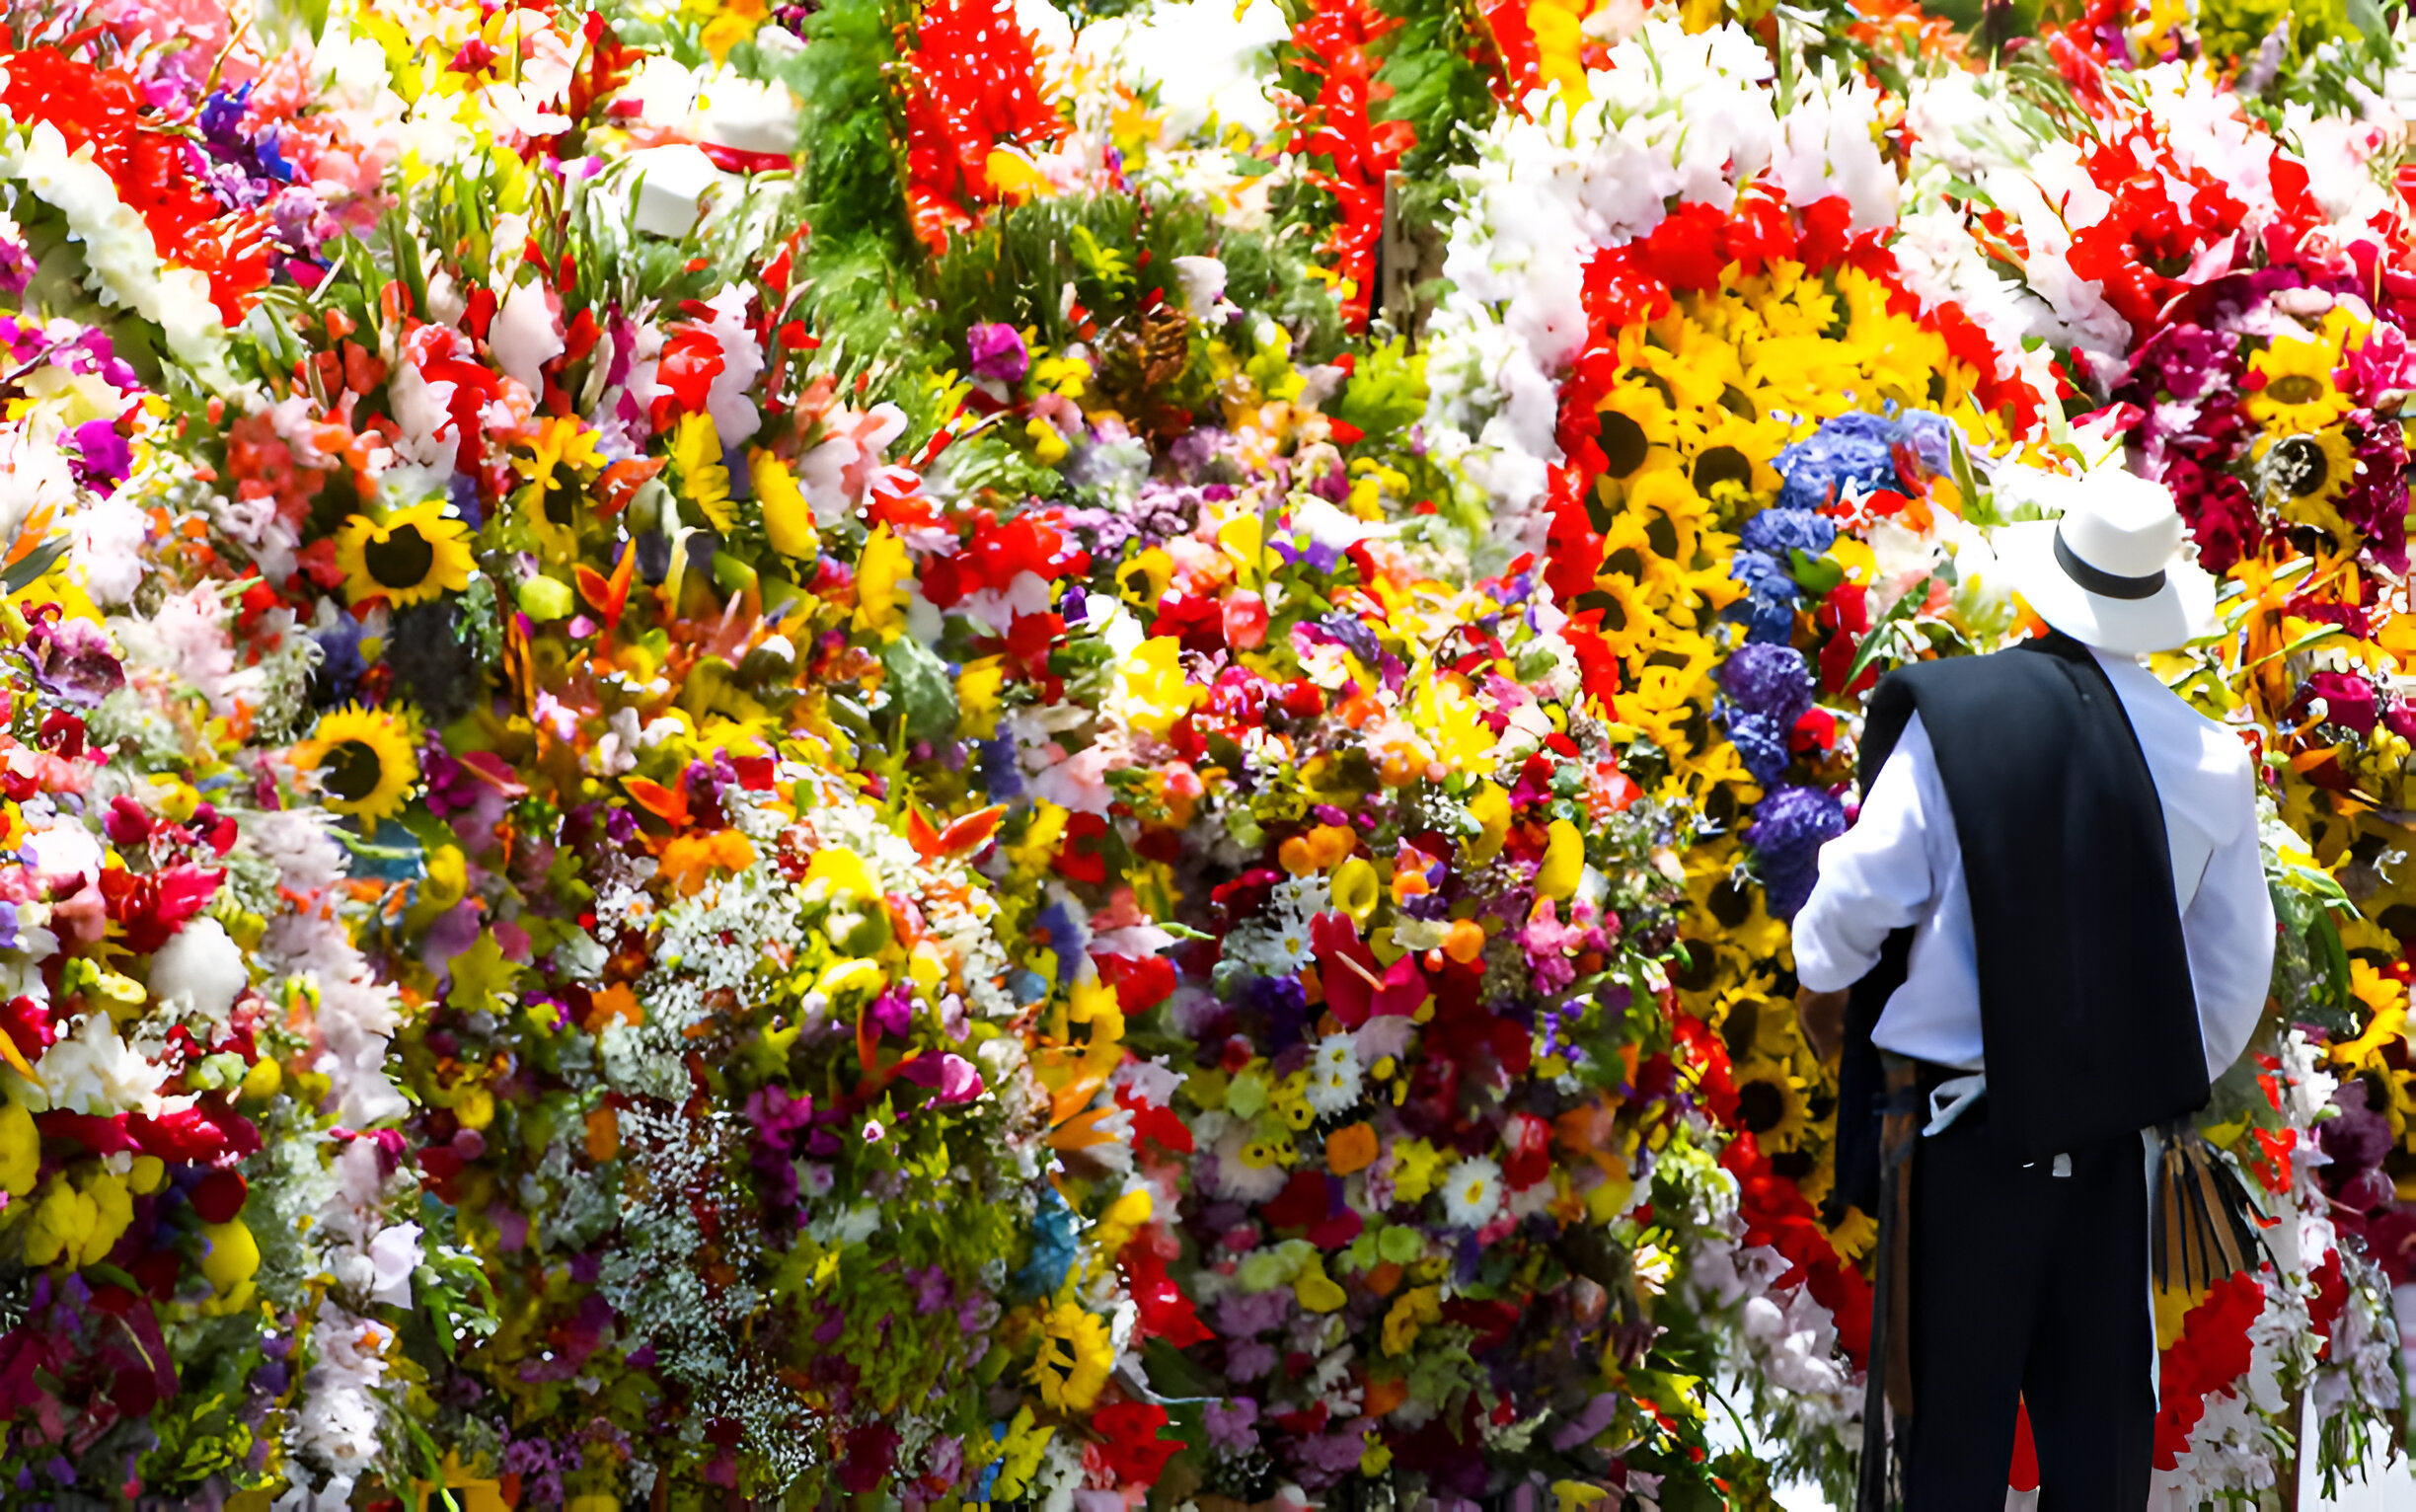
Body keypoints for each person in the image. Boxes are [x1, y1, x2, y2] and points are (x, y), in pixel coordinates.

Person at [1786, 469, 2275, 1510]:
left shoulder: (1958, 717)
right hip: (2107, 1155)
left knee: (1947, 1458)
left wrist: (1822, 983)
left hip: (1962, 1142)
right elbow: (2232, 981)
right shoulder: (2212, 759)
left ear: (2050, 582)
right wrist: (2124, 1074)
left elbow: (1858, 895)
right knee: (2098, 1456)